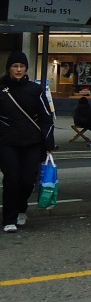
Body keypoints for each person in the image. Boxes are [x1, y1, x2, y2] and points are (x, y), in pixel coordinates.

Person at [0, 51, 55, 233]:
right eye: (15, 66)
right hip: (7, 142)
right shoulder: (1, 89)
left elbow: (47, 117)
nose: (18, 69)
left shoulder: (34, 89)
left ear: (26, 69)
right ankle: (9, 218)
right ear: (9, 68)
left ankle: (21, 208)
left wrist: (48, 143)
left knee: (27, 181)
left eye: (21, 66)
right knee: (12, 180)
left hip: (32, 143)